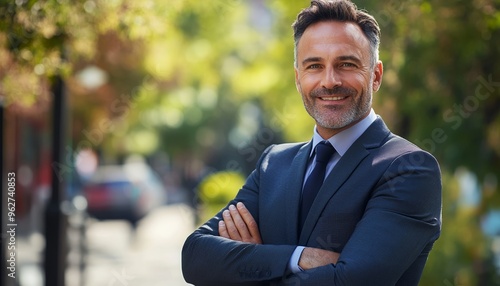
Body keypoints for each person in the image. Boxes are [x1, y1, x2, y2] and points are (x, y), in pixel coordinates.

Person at [181, 0, 442, 285]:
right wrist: (298, 257)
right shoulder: (274, 164)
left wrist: (252, 264)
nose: (329, 81)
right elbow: (195, 257)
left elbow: (353, 281)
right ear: (298, 78)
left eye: (346, 64)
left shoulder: (409, 168)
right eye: (314, 66)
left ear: (375, 75)